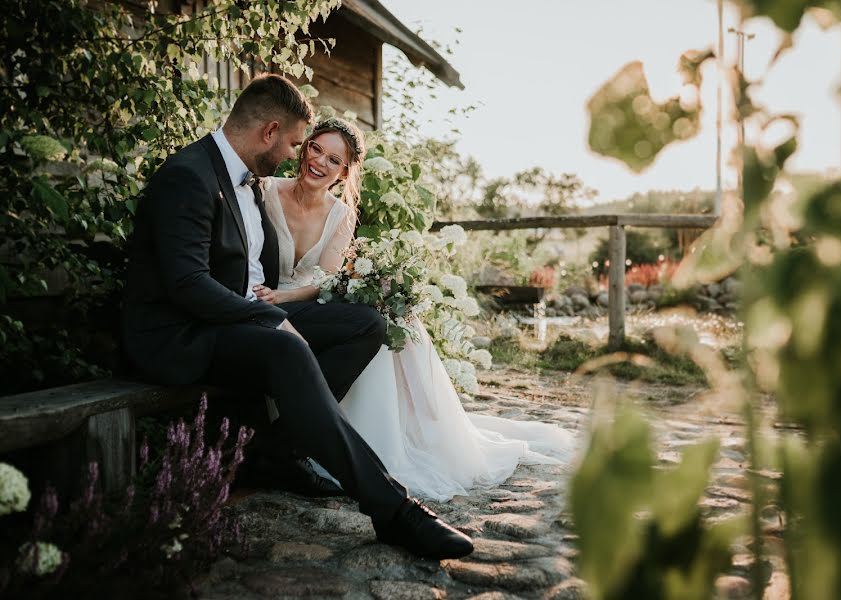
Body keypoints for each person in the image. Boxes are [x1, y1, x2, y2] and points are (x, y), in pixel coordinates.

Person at [122, 74, 473, 560]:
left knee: (365, 324)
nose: (295, 155)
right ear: (269, 132)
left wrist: (272, 310)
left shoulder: (243, 181)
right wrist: (264, 318)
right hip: (183, 334)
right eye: (293, 143)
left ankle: (275, 448)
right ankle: (393, 509)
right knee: (285, 345)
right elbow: (187, 286)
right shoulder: (189, 175)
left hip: (235, 317)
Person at [254, 117, 576, 502]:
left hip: (296, 302)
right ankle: (284, 443)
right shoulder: (266, 191)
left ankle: (309, 441)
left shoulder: (341, 215)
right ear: (304, 149)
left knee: (377, 335)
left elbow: (324, 281)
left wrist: (284, 297)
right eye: (316, 149)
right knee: (361, 329)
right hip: (259, 301)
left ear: (344, 173)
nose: (319, 162)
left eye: (334, 160)